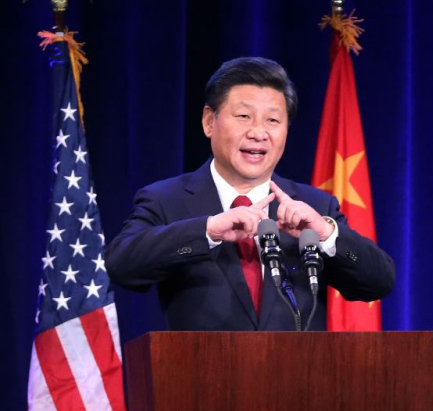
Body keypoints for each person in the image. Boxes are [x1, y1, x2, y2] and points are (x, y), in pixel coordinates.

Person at [105, 57, 395, 331]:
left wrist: (326, 234)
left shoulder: (315, 206)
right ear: (209, 122)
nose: (258, 132)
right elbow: (122, 266)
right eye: (244, 116)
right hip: (199, 367)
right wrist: (207, 231)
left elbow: (377, 282)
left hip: (296, 368)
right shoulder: (167, 199)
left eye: (273, 120)